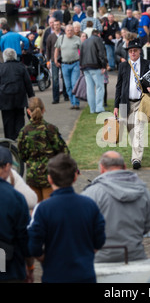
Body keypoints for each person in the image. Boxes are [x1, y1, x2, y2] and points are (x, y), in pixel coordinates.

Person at [27, 153, 106, 283]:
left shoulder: (42, 209)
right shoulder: (89, 205)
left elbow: (33, 245)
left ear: (50, 179)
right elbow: (100, 239)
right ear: (75, 177)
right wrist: (85, 254)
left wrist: (45, 258)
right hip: (85, 275)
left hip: (54, 275)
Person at [82, 151, 150, 262]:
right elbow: (148, 224)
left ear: (101, 168)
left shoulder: (91, 193)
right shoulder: (143, 190)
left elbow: (82, 229)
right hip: (135, 255)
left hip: (100, 259)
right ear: (124, 167)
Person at [114, 38, 150, 170]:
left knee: (139, 129)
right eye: (130, 51)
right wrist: (116, 106)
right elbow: (118, 86)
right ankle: (136, 149)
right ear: (128, 52)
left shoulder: (147, 65)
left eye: (135, 50)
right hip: (125, 102)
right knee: (131, 130)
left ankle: (136, 158)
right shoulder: (123, 66)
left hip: (141, 102)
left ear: (139, 51)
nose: (133, 53)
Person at [17, 97, 69, 203]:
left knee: (36, 212)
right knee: (51, 211)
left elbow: (22, 156)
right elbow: (64, 152)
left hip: (32, 176)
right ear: (43, 109)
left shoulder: (24, 132)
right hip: (50, 176)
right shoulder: (50, 129)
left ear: (28, 111)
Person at [0, 146, 34, 283]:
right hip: (10, 267)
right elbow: (24, 237)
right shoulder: (15, 197)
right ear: (8, 166)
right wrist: (30, 265)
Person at [0, 48, 35, 140]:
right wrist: (31, 97)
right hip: (19, 95)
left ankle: (9, 138)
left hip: (5, 97)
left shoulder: (1, 68)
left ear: (4, 57)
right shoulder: (21, 66)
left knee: (7, 119)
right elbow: (28, 83)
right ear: (15, 56)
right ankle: (20, 137)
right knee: (19, 116)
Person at [80, 29, 107, 114]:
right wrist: (103, 65)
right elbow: (101, 53)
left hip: (85, 67)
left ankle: (92, 109)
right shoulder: (98, 39)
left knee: (90, 88)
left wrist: (82, 67)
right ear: (98, 34)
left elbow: (81, 55)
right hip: (95, 66)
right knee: (99, 87)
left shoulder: (84, 42)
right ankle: (99, 108)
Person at [54, 24, 81, 110]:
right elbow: (56, 49)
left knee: (74, 84)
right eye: (68, 30)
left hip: (75, 64)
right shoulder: (61, 38)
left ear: (73, 31)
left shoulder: (77, 39)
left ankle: (76, 103)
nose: (69, 32)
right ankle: (72, 102)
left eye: (71, 30)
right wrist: (55, 59)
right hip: (64, 65)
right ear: (65, 31)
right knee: (68, 86)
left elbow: (82, 50)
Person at [46, 19, 69, 104]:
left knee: (65, 78)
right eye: (54, 25)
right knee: (55, 79)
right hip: (53, 60)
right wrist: (47, 61)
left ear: (60, 25)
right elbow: (47, 49)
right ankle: (55, 98)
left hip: (64, 59)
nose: (56, 26)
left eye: (57, 25)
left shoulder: (64, 35)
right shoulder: (50, 36)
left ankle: (66, 95)